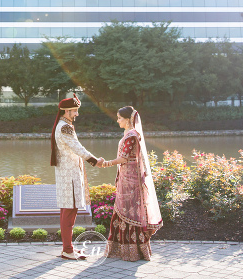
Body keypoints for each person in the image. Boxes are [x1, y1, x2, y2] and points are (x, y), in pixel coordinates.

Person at [98, 106, 162, 261]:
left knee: (130, 210)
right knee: (126, 209)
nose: (117, 120)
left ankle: (132, 251)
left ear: (128, 120)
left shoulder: (131, 135)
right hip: (127, 176)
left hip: (130, 179)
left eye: (120, 118)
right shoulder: (129, 134)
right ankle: (125, 250)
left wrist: (105, 163)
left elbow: (124, 158)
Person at [50, 93, 104, 260]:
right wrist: (95, 160)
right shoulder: (65, 127)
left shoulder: (63, 125)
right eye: (74, 111)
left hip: (67, 173)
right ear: (66, 111)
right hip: (69, 175)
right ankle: (67, 250)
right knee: (69, 212)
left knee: (68, 211)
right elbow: (77, 147)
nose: (77, 114)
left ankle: (68, 248)